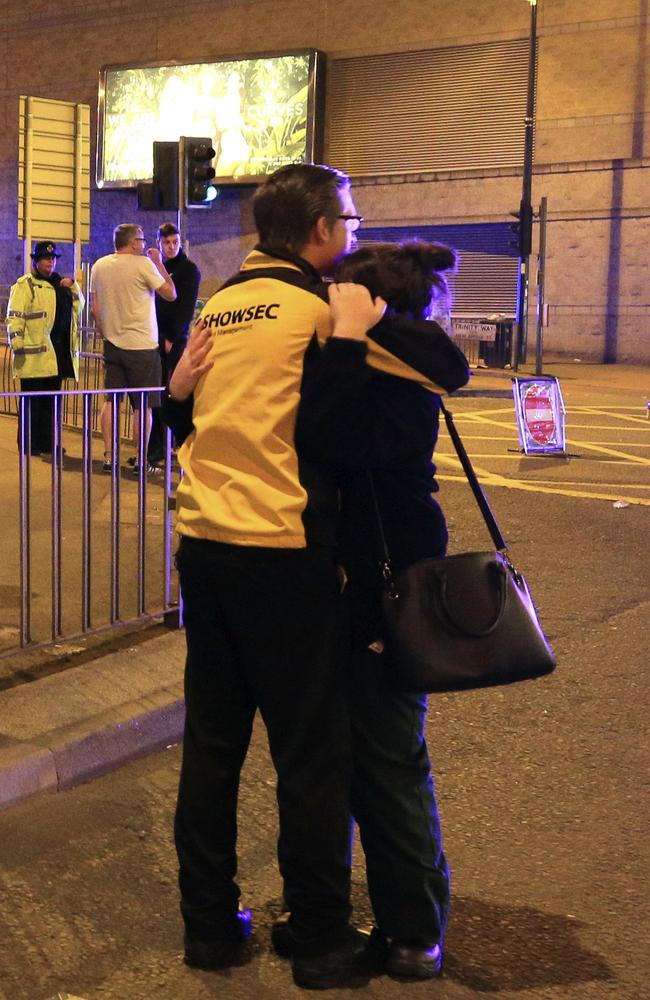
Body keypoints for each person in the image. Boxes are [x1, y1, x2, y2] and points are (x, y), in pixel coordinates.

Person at [163, 164, 452, 990]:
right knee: (311, 755)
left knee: (213, 746)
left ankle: (210, 929)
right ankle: (322, 938)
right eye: (350, 222)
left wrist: (174, 402)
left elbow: (202, 412)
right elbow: (433, 373)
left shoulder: (219, 303)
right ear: (321, 230)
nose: (356, 234)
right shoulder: (320, 310)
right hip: (281, 553)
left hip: (202, 544)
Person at [295, 242, 470, 979]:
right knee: (350, 754)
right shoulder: (383, 354)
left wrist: (350, 333)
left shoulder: (393, 366)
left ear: (367, 305)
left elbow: (332, 436)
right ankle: (375, 912)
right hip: (354, 575)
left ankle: (413, 926)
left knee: (390, 757)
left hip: (384, 579)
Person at [89, 223, 176, 473]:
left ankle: (109, 456)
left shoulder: (99, 266)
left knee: (111, 400)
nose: (144, 243)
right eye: (141, 239)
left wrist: (106, 333)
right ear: (134, 242)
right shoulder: (143, 265)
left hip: (112, 344)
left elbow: (95, 308)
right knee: (142, 405)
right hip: (142, 347)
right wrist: (158, 263)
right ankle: (140, 459)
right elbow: (170, 293)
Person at [6, 240, 84, 456]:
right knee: (31, 402)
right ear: (36, 261)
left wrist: (74, 287)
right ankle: (29, 445)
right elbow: (15, 316)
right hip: (33, 354)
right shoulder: (25, 285)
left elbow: (80, 307)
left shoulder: (62, 284)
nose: (50, 262)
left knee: (51, 402)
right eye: (45, 258)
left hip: (56, 354)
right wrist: (17, 342)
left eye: (53, 258)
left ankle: (48, 444)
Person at [147, 222, 200, 467]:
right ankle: (155, 446)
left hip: (172, 340)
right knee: (154, 396)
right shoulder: (153, 268)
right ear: (159, 243)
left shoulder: (188, 270)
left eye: (175, 242)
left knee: (170, 393)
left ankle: (169, 446)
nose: (171, 247)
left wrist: (171, 336)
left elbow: (185, 308)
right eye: (167, 243)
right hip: (153, 337)